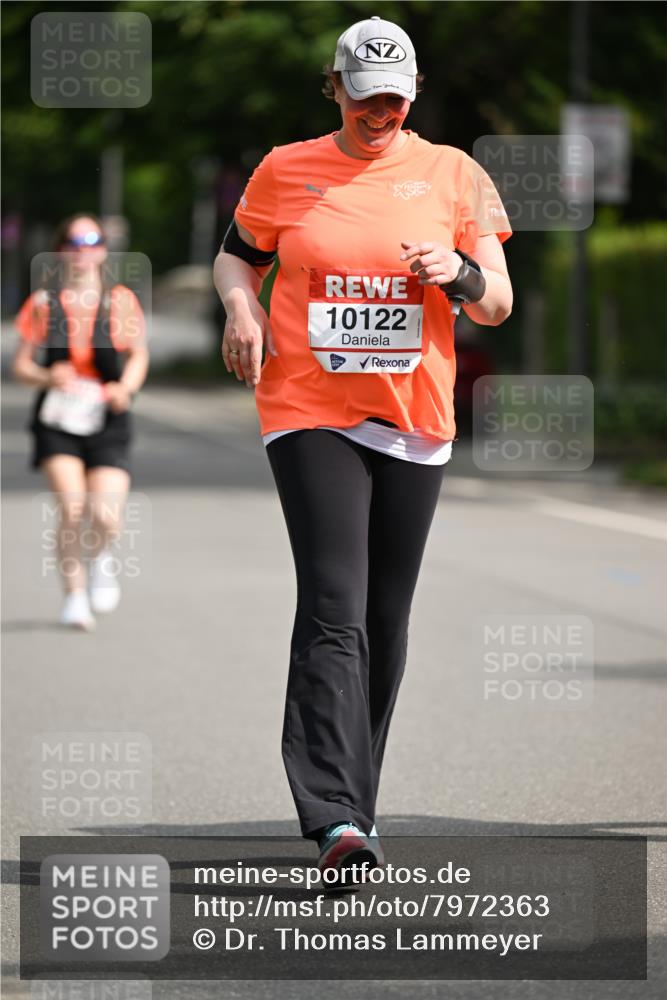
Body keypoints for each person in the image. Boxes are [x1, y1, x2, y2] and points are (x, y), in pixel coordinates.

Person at [213, 16, 512, 880]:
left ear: (411, 95)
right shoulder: (285, 168)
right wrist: (243, 307)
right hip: (310, 407)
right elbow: (237, 259)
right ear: (333, 88)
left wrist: (453, 272)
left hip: (414, 416)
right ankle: (333, 813)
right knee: (335, 605)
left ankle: (356, 802)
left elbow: (495, 301)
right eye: (364, 96)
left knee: (385, 620)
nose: (380, 112)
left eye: (395, 99)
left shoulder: (452, 172)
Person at [12, 213, 149, 631]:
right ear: (62, 250)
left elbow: (138, 355)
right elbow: (20, 365)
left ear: (103, 250)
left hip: (107, 416)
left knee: (106, 514)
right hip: (58, 418)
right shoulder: (43, 303)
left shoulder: (119, 299)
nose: (82, 250)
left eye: (92, 241)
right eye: (73, 242)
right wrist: (45, 375)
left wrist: (125, 387)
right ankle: (74, 596)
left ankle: (102, 557)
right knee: (72, 508)